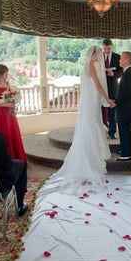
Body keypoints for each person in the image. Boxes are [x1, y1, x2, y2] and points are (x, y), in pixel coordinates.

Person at [41, 46, 115, 196]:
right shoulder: (92, 65)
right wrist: (107, 99)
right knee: (91, 126)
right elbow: (98, 85)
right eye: (99, 53)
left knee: (91, 126)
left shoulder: (89, 65)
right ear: (94, 54)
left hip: (91, 101)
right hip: (91, 101)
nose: (101, 55)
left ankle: (91, 158)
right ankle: (90, 161)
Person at [0, 64, 27, 161]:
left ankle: (15, 158)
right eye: (6, 73)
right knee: (3, 134)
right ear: (1, 73)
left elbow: (10, 99)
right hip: (0, 114)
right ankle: (5, 159)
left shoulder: (8, 84)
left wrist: (14, 104)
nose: (7, 75)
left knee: (12, 134)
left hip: (10, 114)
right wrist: (6, 105)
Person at [116, 51, 131, 161]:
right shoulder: (127, 72)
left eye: (121, 59)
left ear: (127, 60)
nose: (119, 60)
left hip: (125, 110)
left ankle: (126, 154)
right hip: (125, 110)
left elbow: (126, 93)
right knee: (124, 132)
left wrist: (115, 102)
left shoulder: (129, 73)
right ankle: (125, 150)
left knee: (125, 132)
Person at [101, 39, 123, 139]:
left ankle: (112, 132)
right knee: (101, 109)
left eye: (108, 48)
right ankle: (101, 130)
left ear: (112, 47)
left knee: (112, 111)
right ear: (102, 47)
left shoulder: (117, 57)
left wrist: (113, 74)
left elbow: (121, 71)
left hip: (113, 88)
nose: (106, 50)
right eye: (105, 48)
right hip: (101, 88)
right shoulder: (99, 56)